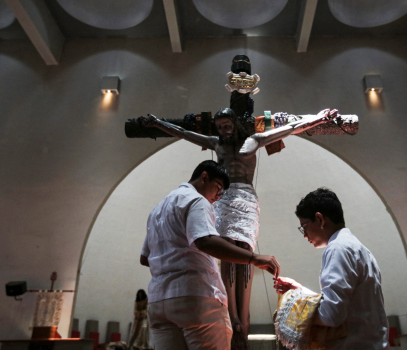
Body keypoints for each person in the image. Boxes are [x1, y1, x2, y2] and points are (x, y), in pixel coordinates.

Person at [141, 107, 338, 349]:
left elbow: (290, 128)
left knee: (242, 249)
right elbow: (183, 132)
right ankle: (233, 316)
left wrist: (318, 118)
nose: (223, 130)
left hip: (245, 199)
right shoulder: (215, 148)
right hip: (222, 201)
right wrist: (158, 123)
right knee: (224, 250)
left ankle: (242, 321)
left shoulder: (254, 141)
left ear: (235, 124)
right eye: (220, 126)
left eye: (227, 125)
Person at [140, 160, 280, 350]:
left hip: (159, 302)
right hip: (196, 298)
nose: (218, 197)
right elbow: (205, 241)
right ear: (204, 177)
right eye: (218, 188)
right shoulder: (197, 201)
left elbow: (145, 258)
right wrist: (253, 258)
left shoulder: (157, 209)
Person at [273, 188, 389, 350]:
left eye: (304, 226)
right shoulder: (358, 248)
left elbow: (331, 315)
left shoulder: (337, 249)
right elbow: (342, 303)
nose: (305, 235)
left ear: (320, 219)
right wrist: (300, 291)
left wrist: (293, 304)